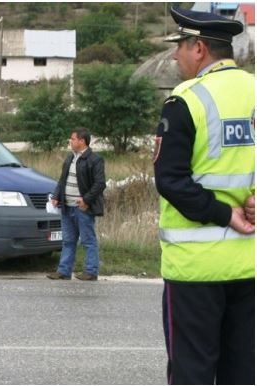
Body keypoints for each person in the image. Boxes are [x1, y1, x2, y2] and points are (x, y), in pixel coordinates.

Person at [154, 7, 254, 384]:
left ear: (198, 48)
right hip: (249, 266)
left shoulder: (185, 100)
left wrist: (227, 215)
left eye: (180, 45)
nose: (176, 54)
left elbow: (171, 181)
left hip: (195, 269)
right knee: (241, 373)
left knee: (192, 373)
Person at [46, 128, 106, 281]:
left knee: (88, 241)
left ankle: (91, 272)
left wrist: (86, 200)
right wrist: (56, 196)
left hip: (83, 208)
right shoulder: (69, 158)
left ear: (82, 141)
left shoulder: (94, 160)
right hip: (67, 207)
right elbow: (62, 180)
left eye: (72, 139)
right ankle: (64, 271)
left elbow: (100, 184)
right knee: (68, 241)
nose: (70, 141)